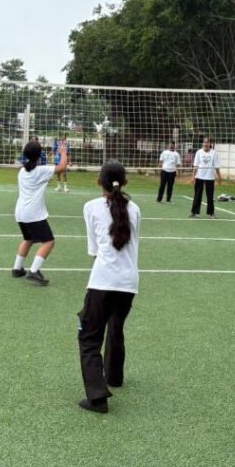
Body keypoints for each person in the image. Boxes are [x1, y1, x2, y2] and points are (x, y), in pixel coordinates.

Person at [77, 160, 141, 414]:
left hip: (103, 280)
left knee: (89, 337)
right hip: (129, 282)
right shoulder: (134, 208)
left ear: (98, 182)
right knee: (116, 325)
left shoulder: (91, 207)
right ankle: (114, 376)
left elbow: (94, 250)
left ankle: (97, 398)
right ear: (124, 181)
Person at [12, 140, 69, 286]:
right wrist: (63, 152)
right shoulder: (41, 170)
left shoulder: (22, 171)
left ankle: (17, 268)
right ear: (40, 155)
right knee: (49, 241)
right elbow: (62, 167)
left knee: (28, 239)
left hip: (20, 212)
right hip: (33, 214)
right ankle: (34, 271)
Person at [189, 138, 223, 219]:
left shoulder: (214, 153)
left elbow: (216, 166)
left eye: (207, 142)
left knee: (210, 196)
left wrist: (219, 177)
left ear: (210, 144)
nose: (206, 144)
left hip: (210, 177)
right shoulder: (199, 152)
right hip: (199, 176)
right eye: (204, 142)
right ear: (203, 144)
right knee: (197, 195)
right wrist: (193, 176)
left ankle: (211, 213)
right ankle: (194, 212)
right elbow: (196, 165)